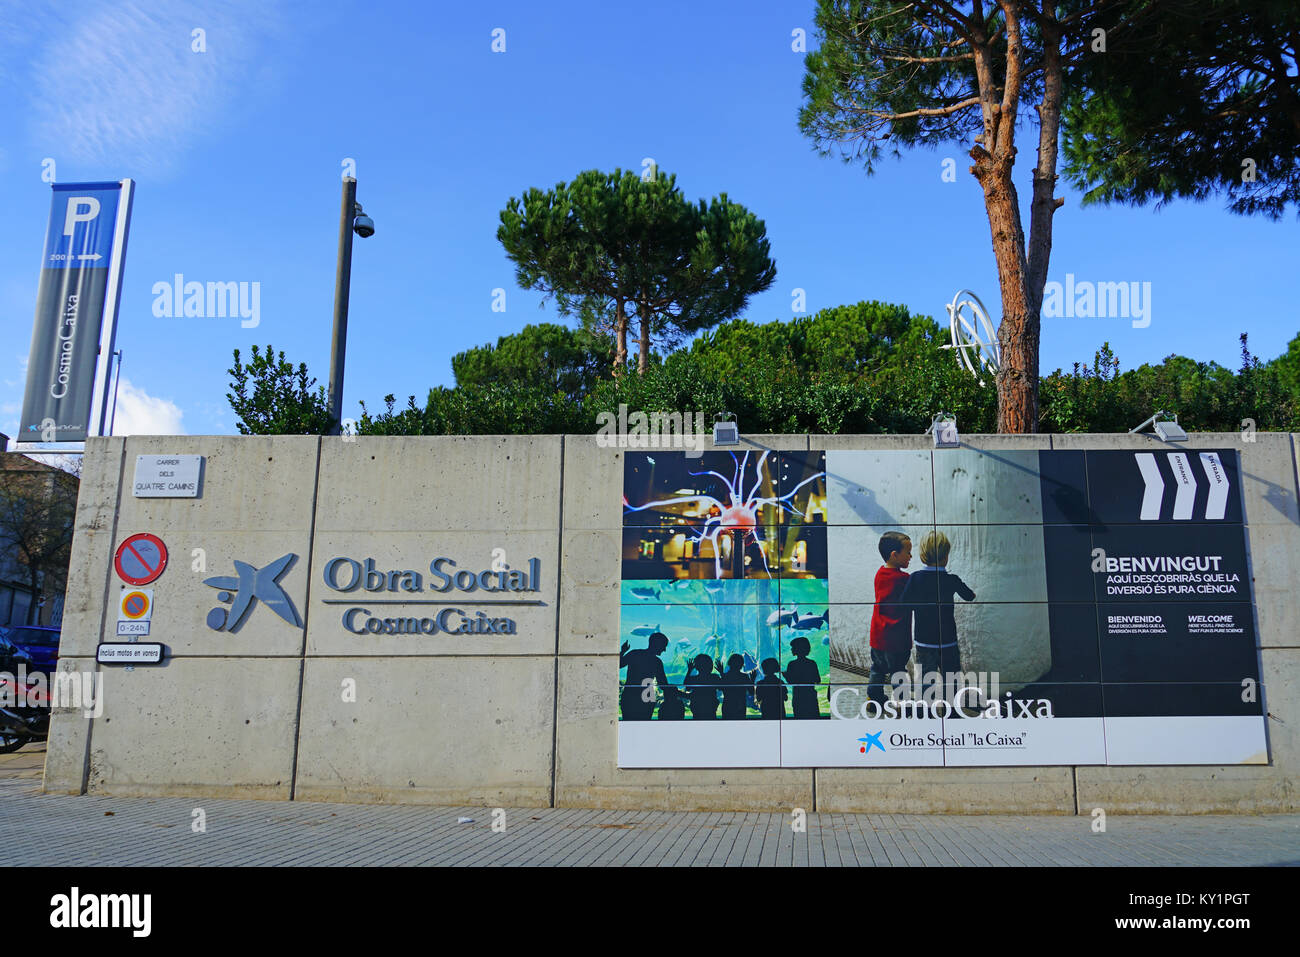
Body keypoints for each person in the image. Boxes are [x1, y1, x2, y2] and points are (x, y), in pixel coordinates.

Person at [900, 531, 976, 679]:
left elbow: (904, 604)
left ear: (923, 555)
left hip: (924, 641)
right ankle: (952, 702)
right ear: (946, 556)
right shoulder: (952, 580)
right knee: (951, 681)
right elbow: (970, 596)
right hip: (948, 641)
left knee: (926, 683)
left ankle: (927, 702)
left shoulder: (915, 578)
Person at [868, 530, 914, 705]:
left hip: (878, 635)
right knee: (898, 672)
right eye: (908, 552)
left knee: (877, 669)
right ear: (894, 555)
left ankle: (874, 699)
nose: (911, 556)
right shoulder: (904, 579)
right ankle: (903, 703)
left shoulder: (880, 574)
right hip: (897, 638)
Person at [619, 632, 670, 720]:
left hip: (629, 697)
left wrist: (622, 651)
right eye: (664, 646)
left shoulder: (634, 654)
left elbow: (618, 665)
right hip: (647, 698)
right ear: (657, 644)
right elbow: (663, 684)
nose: (664, 649)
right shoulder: (657, 662)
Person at [783, 636, 821, 718]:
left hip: (798, 697)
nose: (791, 649)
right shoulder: (812, 663)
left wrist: (786, 675)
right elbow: (818, 680)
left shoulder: (792, 664)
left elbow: (791, 682)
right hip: (810, 696)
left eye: (793, 647)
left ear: (798, 649)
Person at [716, 653, 756, 719]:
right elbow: (751, 692)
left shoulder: (726, 676)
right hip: (740, 706)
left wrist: (722, 674)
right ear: (742, 664)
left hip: (728, 705)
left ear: (729, 663)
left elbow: (720, 688)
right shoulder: (744, 677)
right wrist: (752, 680)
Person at [683, 654, 722, 719]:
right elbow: (721, 687)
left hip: (697, 708)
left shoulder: (694, 679)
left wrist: (689, 670)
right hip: (710, 707)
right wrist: (721, 673)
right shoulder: (714, 677)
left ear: (696, 666)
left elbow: (687, 687)